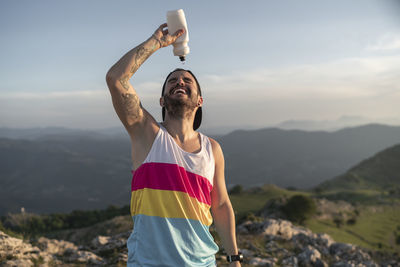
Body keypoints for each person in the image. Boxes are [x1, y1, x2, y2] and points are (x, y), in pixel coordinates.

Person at [106, 23, 242, 267]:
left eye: (187, 80)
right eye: (172, 80)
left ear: (199, 100)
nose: (179, 81)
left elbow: (220, 205)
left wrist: (234, 258)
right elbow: (116, 79)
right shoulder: (146, 133)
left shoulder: (213, 149)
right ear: (161, 99)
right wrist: (156, 43)